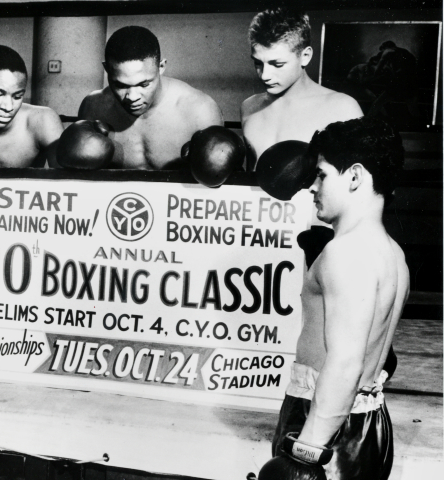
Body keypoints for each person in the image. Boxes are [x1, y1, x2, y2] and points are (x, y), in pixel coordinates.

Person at [268, 117, 408, 480]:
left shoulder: (345, 254)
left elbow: (346, 362)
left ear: (356, 176)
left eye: (322, 175)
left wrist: (307, 452)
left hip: (325, 430)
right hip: (367, 422)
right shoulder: (394, 255)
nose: (311, 188)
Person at [77, 25, 223, 170]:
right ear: (106, 69)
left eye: (144, 84)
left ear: (161, 67)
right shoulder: (93, 107)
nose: (132, 97)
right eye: (121, 85)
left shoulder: (200, 110)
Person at [242, 8, 363, 170]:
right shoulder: (249, 107)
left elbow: (365, 183)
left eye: (277, 64)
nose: (265, 75)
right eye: (258, 63)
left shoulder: (343, 108)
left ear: (305, 56)